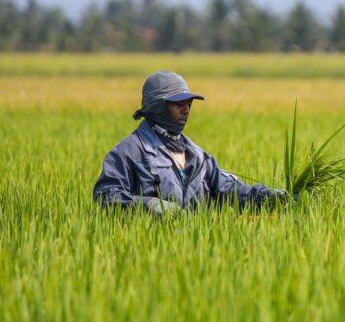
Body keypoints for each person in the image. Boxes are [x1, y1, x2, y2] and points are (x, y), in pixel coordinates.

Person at [93, 71, 287, 216]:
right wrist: (149, 205)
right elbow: (105, 197)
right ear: (157, 106)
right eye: (178, 104)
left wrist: (269, 197)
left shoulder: (198, 156)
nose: (186, 109)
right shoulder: (127, 152)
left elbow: (228, 189)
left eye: (188, 103)